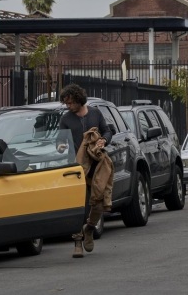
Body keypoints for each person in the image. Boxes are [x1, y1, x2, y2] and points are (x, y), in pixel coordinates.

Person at [58, 83, 113, 258]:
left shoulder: (95, 113)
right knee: (79, 206)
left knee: (98, 203)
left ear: (79, 99)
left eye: (70, 103)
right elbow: (60, 141)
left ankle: (89, 228)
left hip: (97, 166)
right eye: (66, 103)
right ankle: (77, 242)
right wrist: (61, 147)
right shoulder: (66, 119)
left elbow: (107, 131)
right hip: (77, 168)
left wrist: (103, 140)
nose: (68, 106)